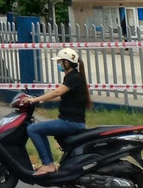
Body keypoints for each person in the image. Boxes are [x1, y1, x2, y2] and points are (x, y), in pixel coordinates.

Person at [23, 46, 92, 174]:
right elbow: (61, 96)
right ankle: (50, 163)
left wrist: (35, 100)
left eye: (60, 62)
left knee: (32, 129)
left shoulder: (74, 78)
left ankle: (48, 164)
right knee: (38, 128)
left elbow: (57, 92)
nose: (58, 64)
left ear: (67, 63)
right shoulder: (72, 77)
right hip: (70, 121)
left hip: (70, 122)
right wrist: (42, 99)